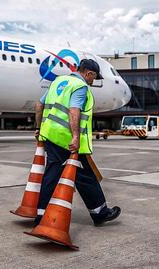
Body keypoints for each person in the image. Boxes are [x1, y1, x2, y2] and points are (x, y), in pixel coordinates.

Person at [34, 59, 121, 226]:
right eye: (94, 78)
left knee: (52, 175)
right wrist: (75, 137)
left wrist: (38, 128)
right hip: (67, 141)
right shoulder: (79, 86)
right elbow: (74, 110)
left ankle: (41, 215)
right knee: (86, 176)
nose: (92, 81)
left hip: (50, 137)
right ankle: (100, 213)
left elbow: (39, 105)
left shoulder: (57, 81)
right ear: (89, 73)